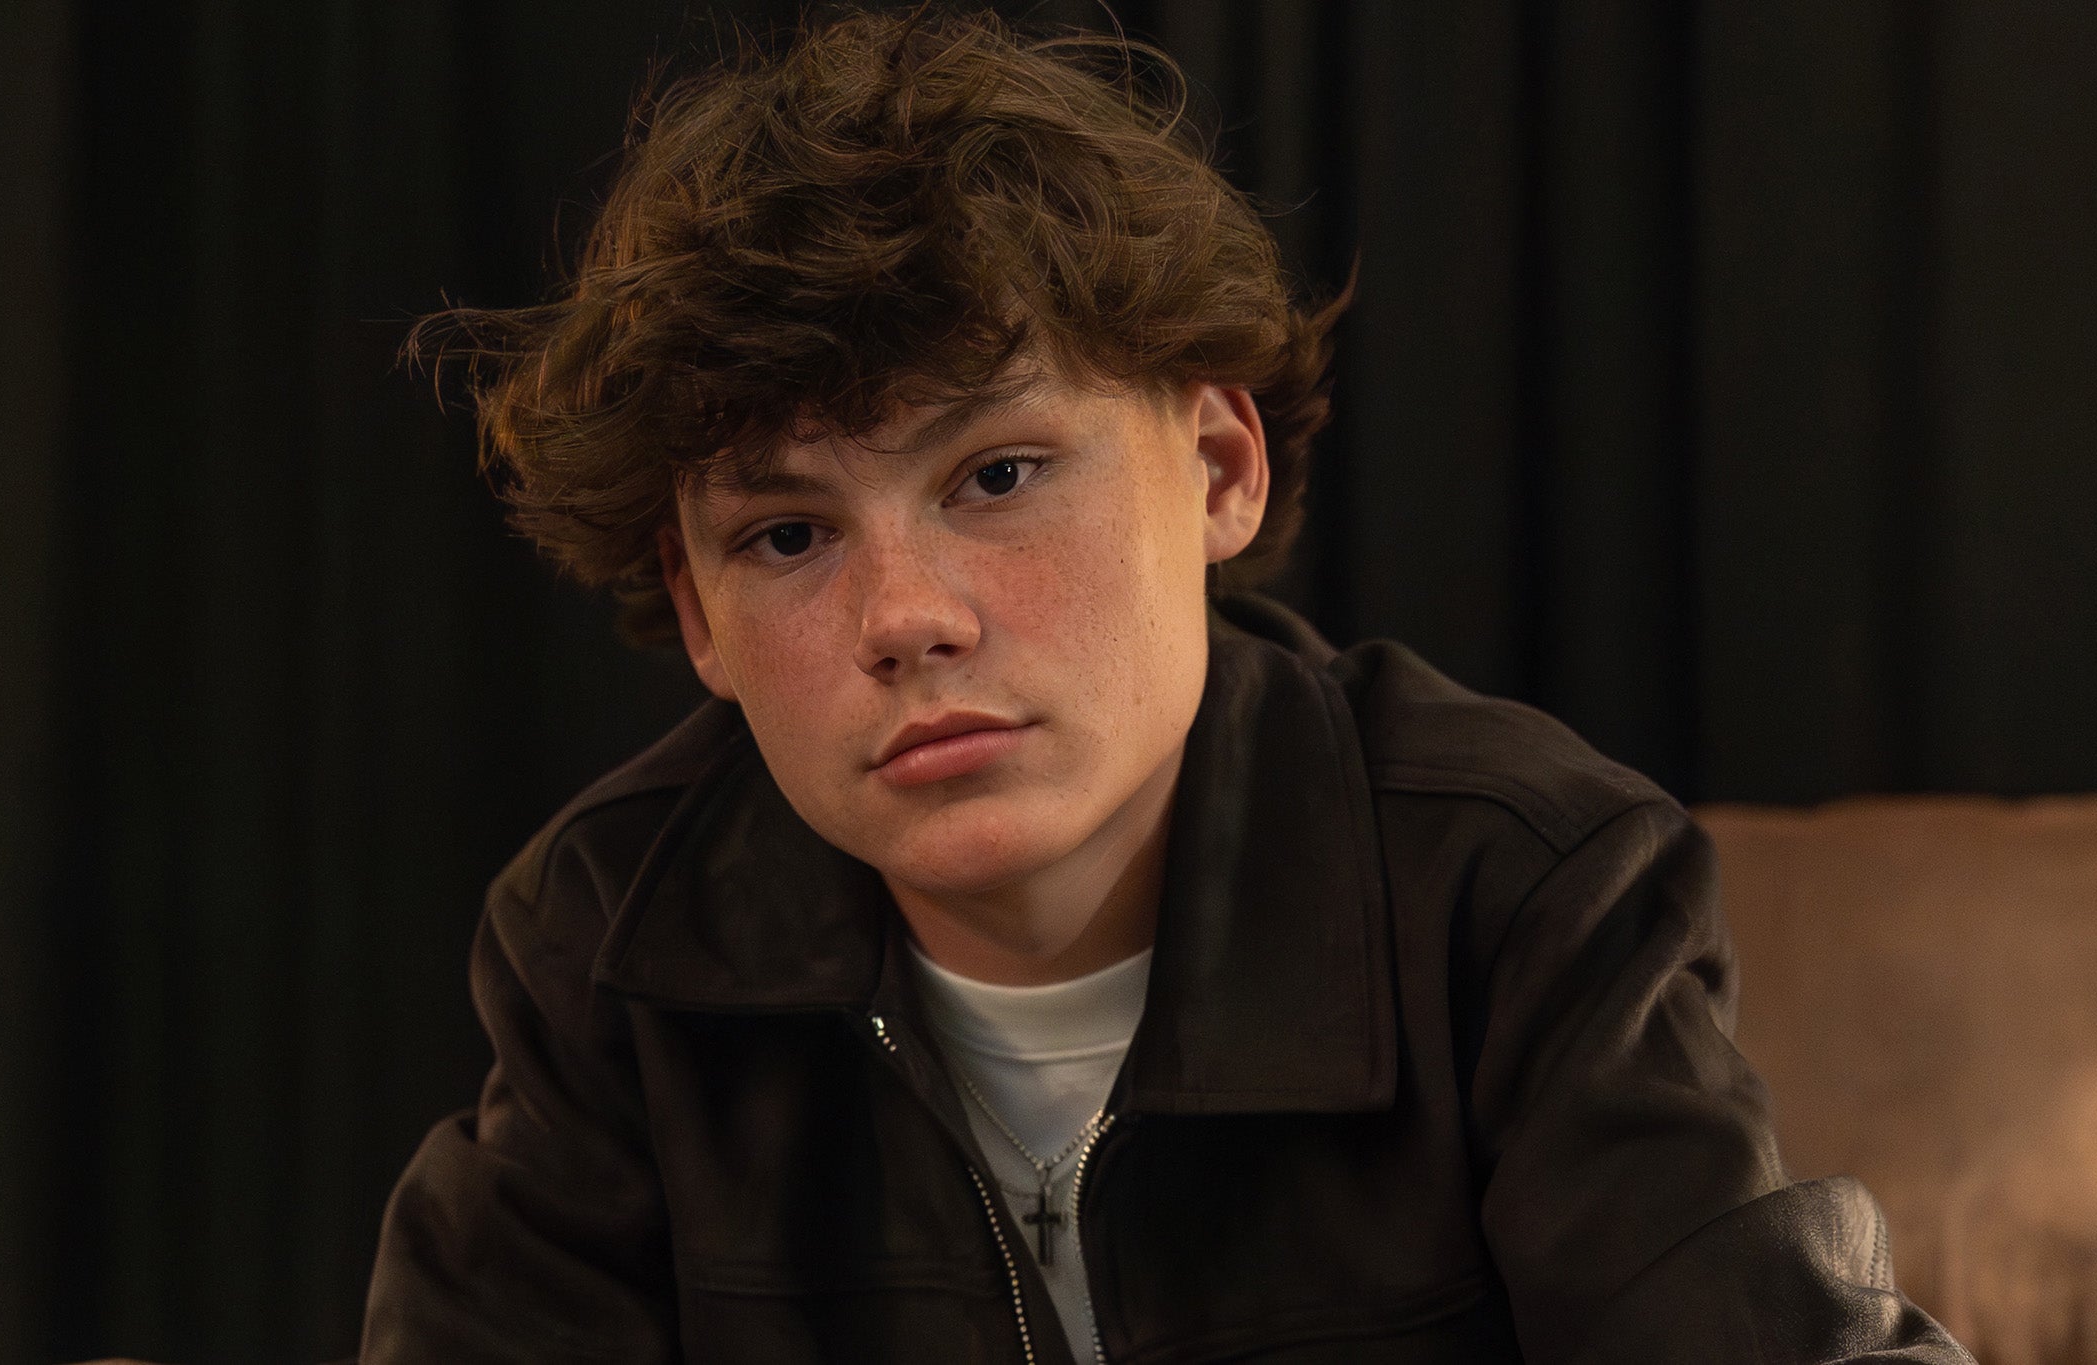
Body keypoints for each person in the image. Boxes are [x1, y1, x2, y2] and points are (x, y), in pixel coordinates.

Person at [361, 9, 1972, 1363]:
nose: (903, 618)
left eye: (997, 475)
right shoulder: (612, 942)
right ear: (697, 615)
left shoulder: (1516, 885)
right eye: (786, 535)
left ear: (1217, 466)